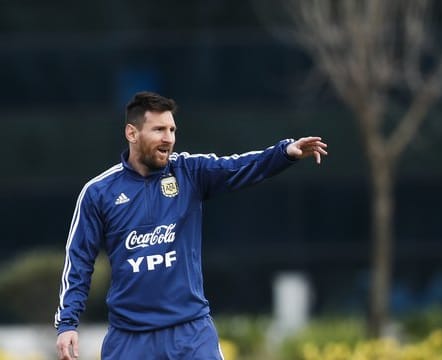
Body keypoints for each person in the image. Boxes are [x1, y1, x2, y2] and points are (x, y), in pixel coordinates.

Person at [54, 91, 327, 360]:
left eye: (172, 130)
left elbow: (238, 166)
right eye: (159, 129)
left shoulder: (189, 172)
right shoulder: (98, 192)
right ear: (132, 133)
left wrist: (284, 154)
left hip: (189, 332)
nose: (168, 138)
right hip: (129, 339)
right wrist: (67, 323)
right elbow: (79, 260)